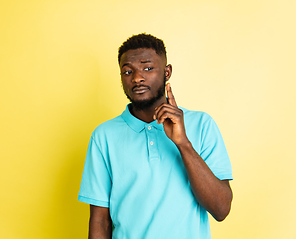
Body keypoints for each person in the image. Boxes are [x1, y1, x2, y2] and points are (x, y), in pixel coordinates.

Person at [78, 33, 233, 239]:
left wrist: (183, 143)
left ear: (167, 72)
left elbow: (221, 209)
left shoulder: (202, 124)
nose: (137, 78)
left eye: (148, 68)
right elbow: (100, 220)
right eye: (127, 71)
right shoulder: (104, 136)